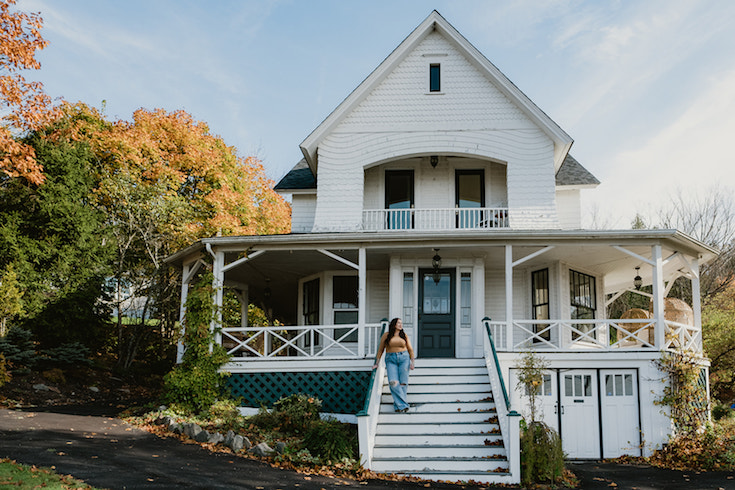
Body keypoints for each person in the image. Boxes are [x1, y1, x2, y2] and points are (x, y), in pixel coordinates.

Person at [372, 317, 415, 412]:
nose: (401, 324)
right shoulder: (386, 335)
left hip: (404, 358)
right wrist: (377, 363)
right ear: (394, 324)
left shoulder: (404, 335)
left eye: (401, 323)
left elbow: (410, 349)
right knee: (393, 383)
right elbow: (380, 350)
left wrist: (412, 362)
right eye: (399, 323)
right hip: (391, 359)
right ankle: (403, 405)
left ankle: (399, 406)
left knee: (403, 383)